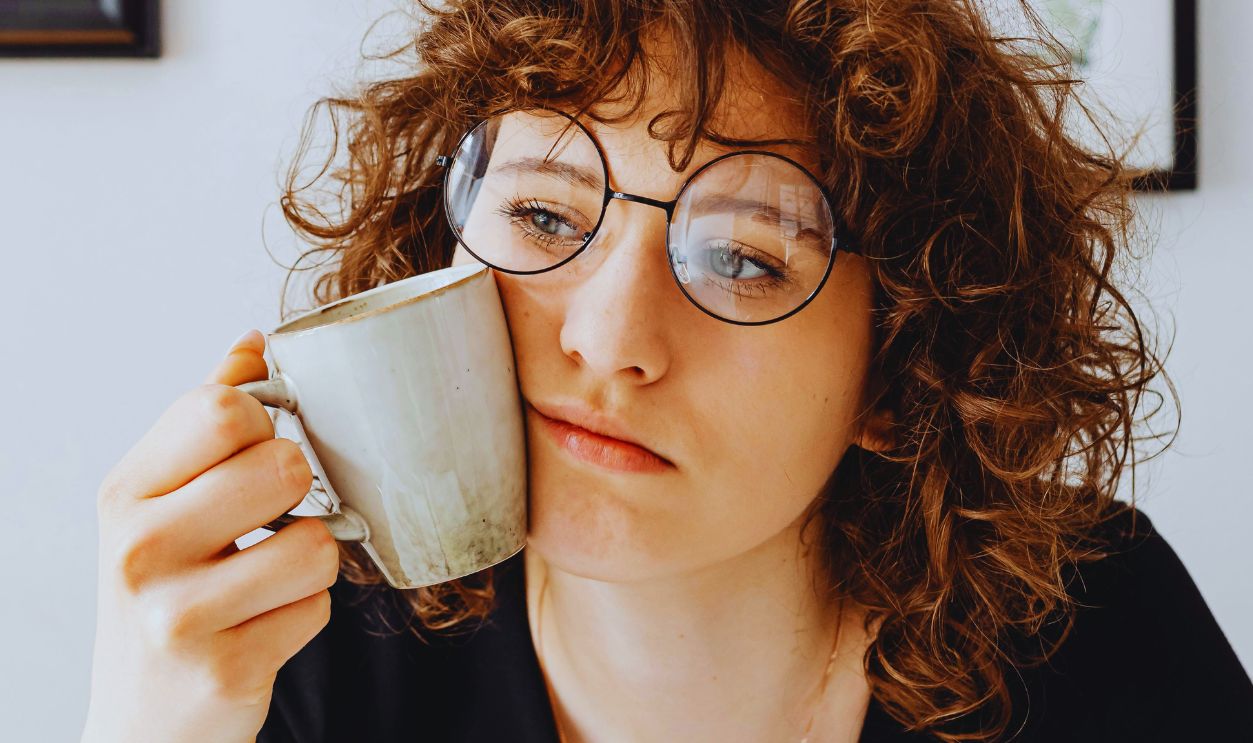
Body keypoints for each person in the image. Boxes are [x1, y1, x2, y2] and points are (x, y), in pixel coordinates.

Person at [82, 1, 1253, 742]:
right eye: (544, 215)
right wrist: (149, 722)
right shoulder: (302, 647)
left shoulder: (1093, 628)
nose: (607, 339)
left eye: (742, 258)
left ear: (904, 372)